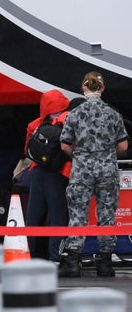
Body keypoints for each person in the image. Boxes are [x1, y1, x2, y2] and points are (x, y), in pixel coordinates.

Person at [58, 71, 129, 277]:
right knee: (107, 215)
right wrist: (106, 154)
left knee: (77, 214)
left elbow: (64, 145)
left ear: (84, 88)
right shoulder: (113, 113)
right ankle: (105, 264)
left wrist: (78, 156)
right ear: (102, 89)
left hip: (81, 169)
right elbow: (123, 146)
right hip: (107, 170)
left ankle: (72, 262)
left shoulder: (75, 114)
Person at [24, 90, 71, 261]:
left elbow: (27, 152)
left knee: (33, 215)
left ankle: (28, 253)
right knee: (57, 216)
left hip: (37, 172)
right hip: (59, 173)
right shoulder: (68, 120)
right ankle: (56, 257)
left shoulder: (33, 125)